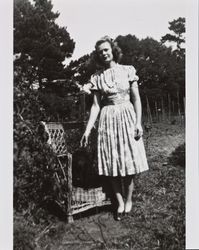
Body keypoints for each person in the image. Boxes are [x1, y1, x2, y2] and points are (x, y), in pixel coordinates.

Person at [80, 36, 149, 220]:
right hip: (107, 120)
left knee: (129, 160)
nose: (104, 53)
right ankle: (118, 202)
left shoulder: (128, 71)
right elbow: (95, 106)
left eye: (106, 49)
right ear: (97, 55)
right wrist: (87, 130)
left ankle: (129, 199)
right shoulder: (97, 78)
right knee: (110, 162)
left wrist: (138, 122)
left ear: (113, 50)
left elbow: (136, 99)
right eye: (100, 51)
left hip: (127, 117)